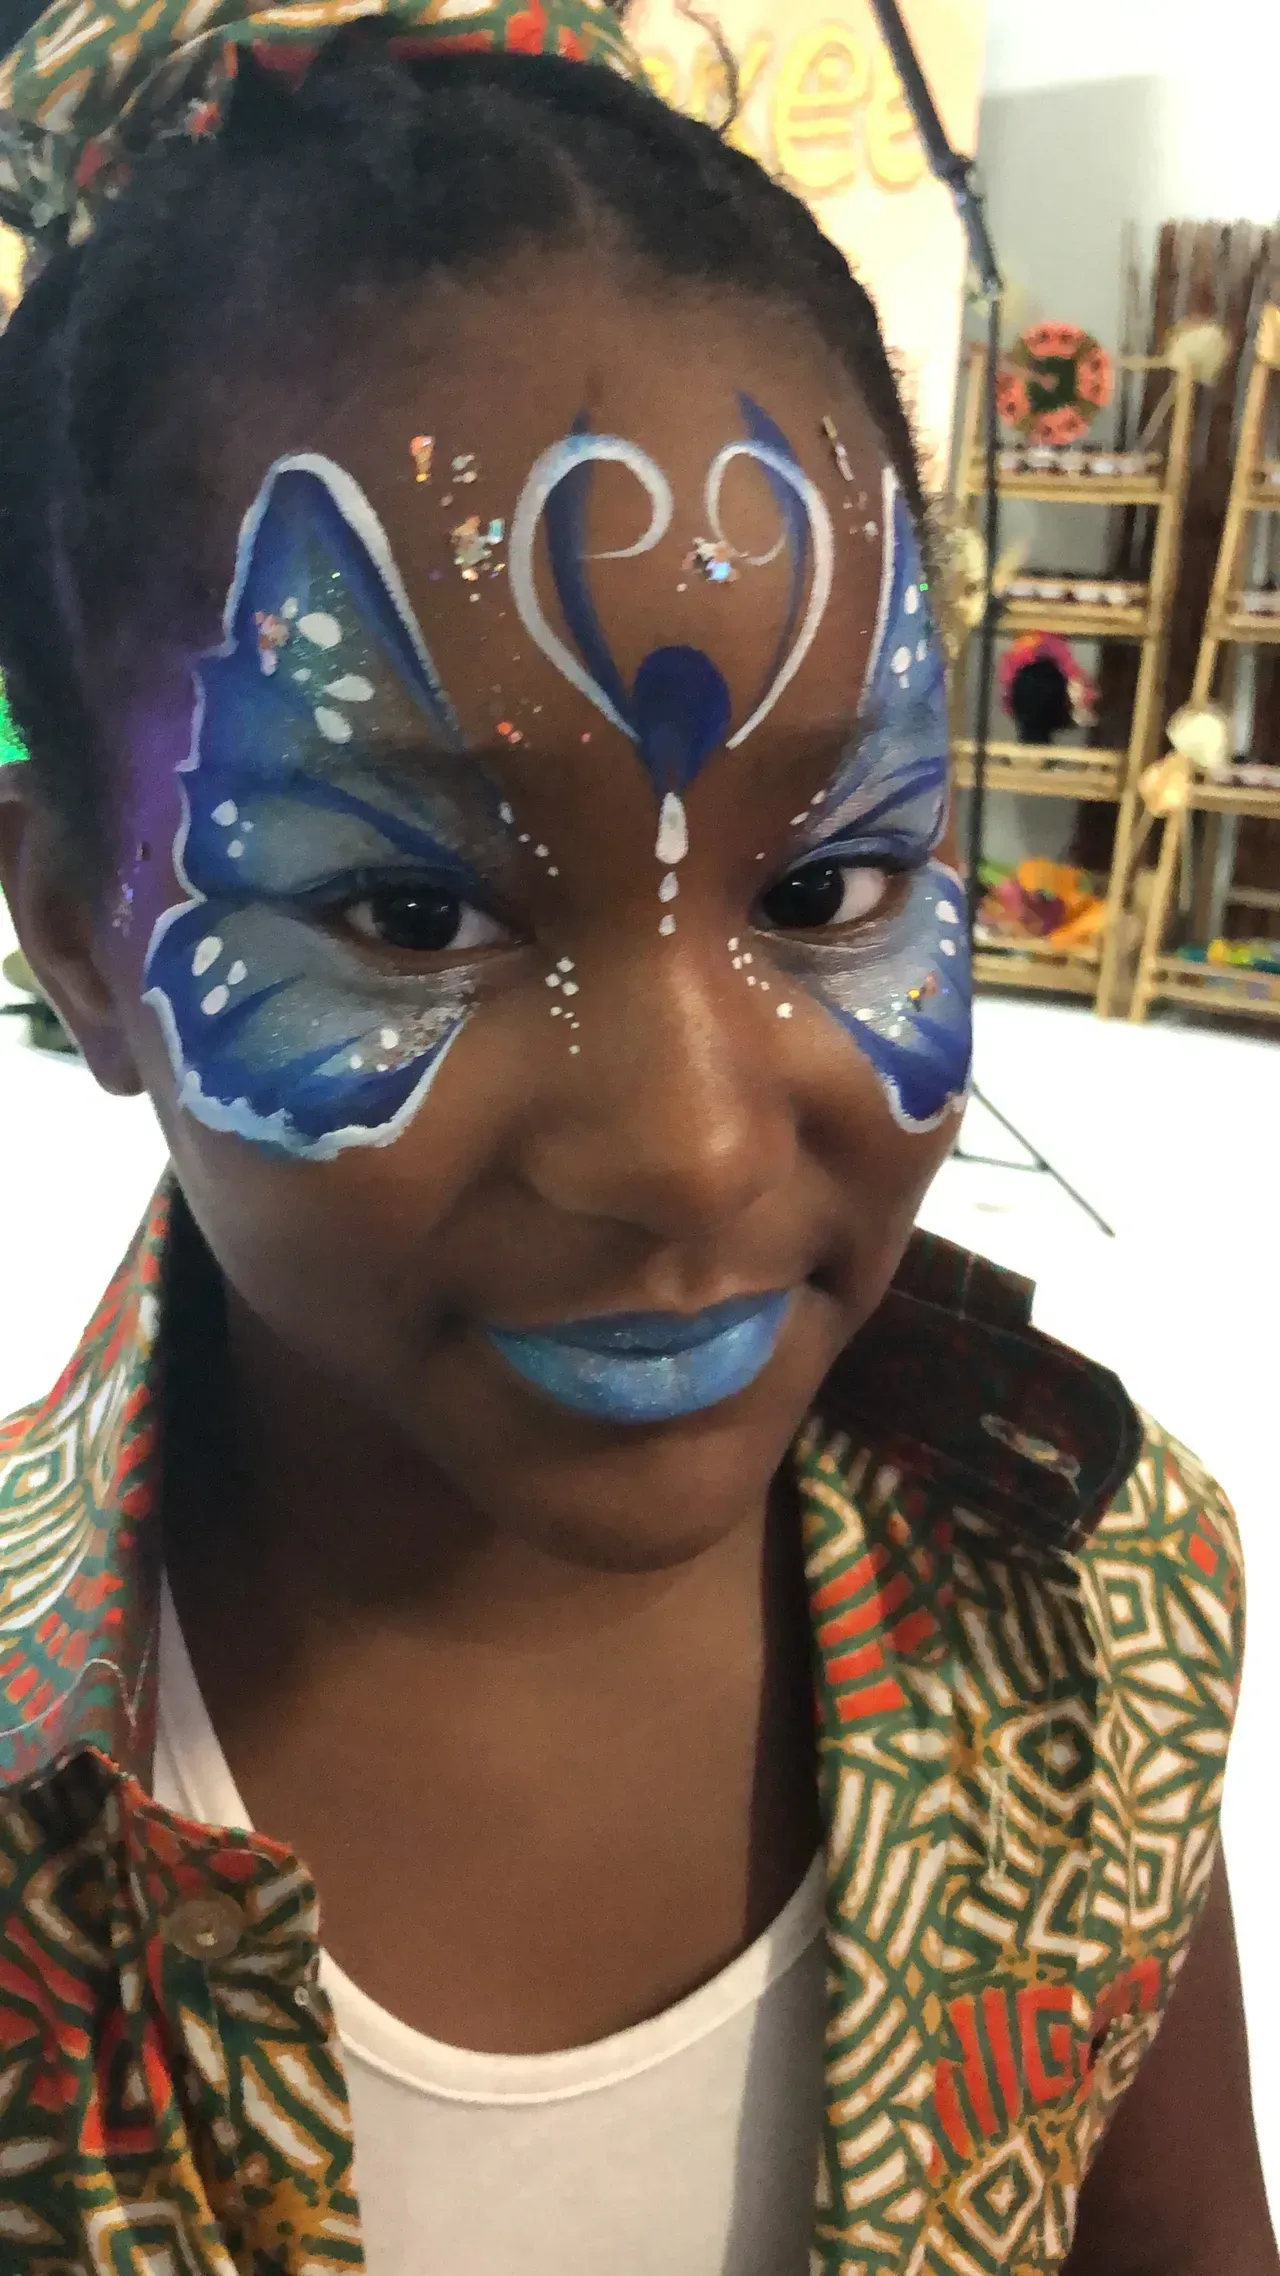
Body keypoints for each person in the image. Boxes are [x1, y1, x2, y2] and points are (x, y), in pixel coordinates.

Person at [0, 4, 1271, 2270]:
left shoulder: (1095, 1616)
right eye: (409, 908)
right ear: (81, 940)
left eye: (828, 888)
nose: (690, 1148)